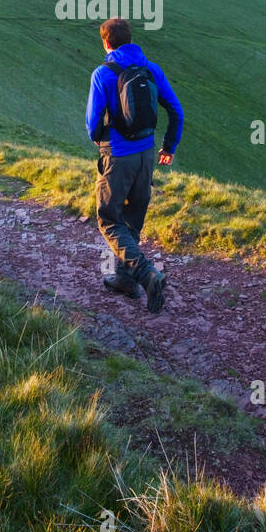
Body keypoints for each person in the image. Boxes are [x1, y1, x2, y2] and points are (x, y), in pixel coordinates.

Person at [85, 17, 183, 315]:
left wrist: (101, 142)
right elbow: (176, 110)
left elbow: (92, 123)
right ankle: (126, 281)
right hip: (146, 155)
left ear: (106, 42)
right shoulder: (152, 69)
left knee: (109, 219)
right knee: (132, 220)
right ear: (130, 39)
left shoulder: (103, 73)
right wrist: (168, 147)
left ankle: (146, 276)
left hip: (117, 155)